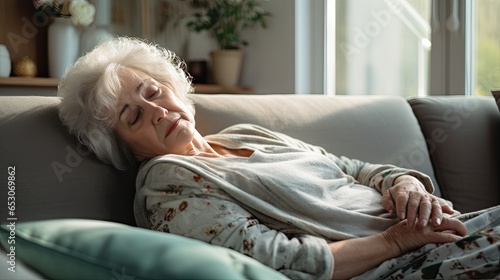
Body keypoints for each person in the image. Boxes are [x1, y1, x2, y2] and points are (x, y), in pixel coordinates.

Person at [58, 37, 500, 279]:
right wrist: (396, 241)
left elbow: (355, 170)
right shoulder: (167, 186)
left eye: (153, 93)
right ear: (121, 144)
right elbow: (273, 259)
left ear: (173, 89)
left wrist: (405, 184)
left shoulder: (244, 134)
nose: (157, 111)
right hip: (396, 266)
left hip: (433, 235)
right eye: (133, 115)